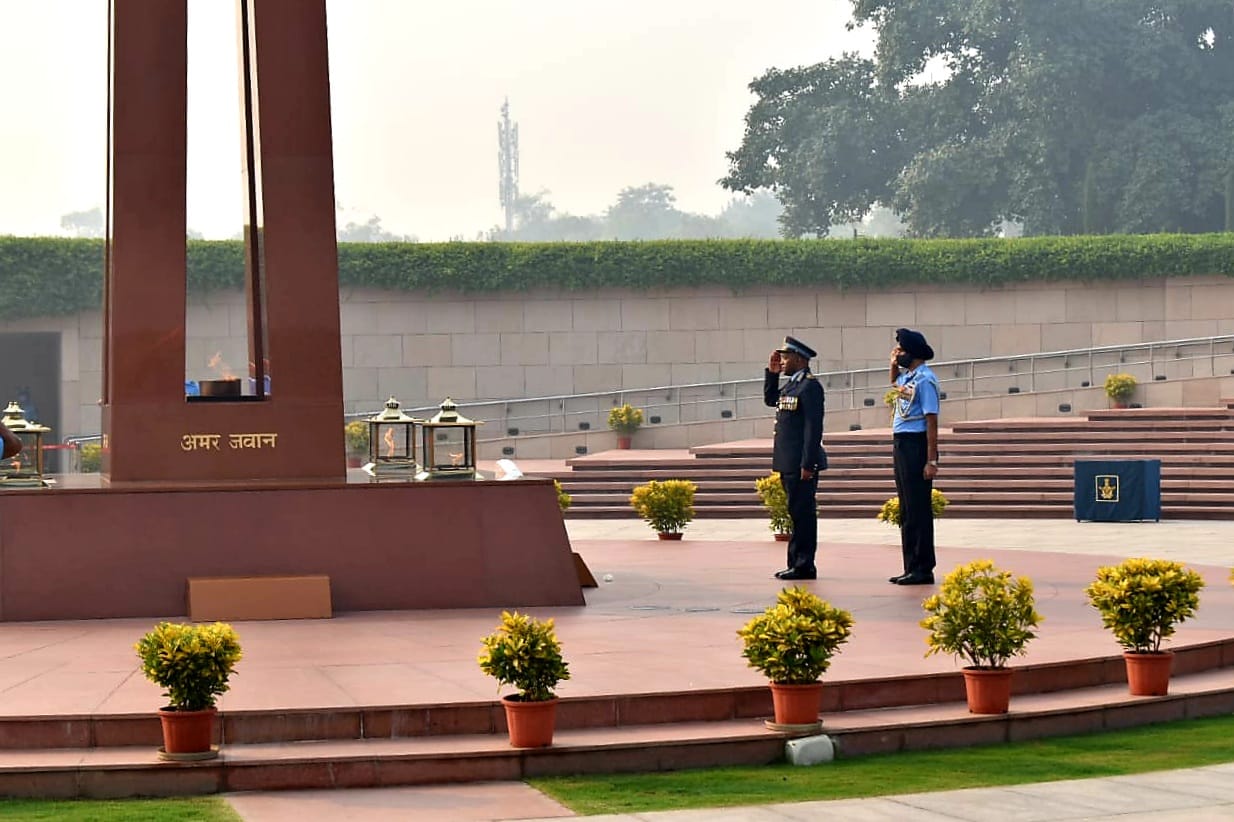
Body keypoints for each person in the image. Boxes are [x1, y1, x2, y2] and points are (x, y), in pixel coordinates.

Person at [763, 335, 825, 581]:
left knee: (803, 513)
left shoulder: (810, 386)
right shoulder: (792, 386)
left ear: (800, 359)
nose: (783, 361)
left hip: (801, 463)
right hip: (788, 461)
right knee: (795, 512)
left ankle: (804, 564)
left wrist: (807, 463)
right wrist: (772, 373)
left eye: (786, 357)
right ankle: (795, 562)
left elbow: (813, 429)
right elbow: (770, 400)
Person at [888, 328, 940, 586]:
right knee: (907, 508)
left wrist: (931, 460)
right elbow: (894, 386)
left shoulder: (925, 380)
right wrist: (894, 366)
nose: (898, 354)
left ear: (914, 353)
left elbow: (932, 421)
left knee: (918, 509)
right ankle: (910, 565)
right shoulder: (909, 377)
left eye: (902, 350)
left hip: (916, 444)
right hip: (901, 443)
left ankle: (923, 567)